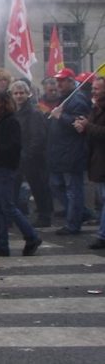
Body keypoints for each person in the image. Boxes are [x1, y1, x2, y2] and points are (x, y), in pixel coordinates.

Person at [0, 91, 42, 257]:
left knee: (8, 206)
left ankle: (32, 236)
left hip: (5, 168)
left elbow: (14, 146)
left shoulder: (10, 121)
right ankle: (1, 244)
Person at [47, 68, 92, 235]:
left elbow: (80, 126)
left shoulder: (77, 99)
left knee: (73, 189)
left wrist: (61, 117)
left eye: (62, 80)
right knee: (56, 185)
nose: (58, 84)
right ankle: (82, 213)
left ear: (71, 81)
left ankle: (73, 224)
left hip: (72, 152)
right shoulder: (65, 99)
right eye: (57, 80)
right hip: (61, 152)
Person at [10, 80, 52, 227]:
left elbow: (38, 136)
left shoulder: (34, 113)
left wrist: (28, 154)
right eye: (16, 93)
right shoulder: (15, 113)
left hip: (32, 158)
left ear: (28, 94)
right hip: (19, 156)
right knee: (14, 187)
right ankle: (12, 216)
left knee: (38, 187)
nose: (19, 96)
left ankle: (44, 216)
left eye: (22, 93)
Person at [74, 76, 105, 249]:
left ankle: (102, 234)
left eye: (97, 89)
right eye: (93, 88)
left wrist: (88, 126)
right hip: (98, 159)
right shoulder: (96, 107)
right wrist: (82, 128)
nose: (93, 91)